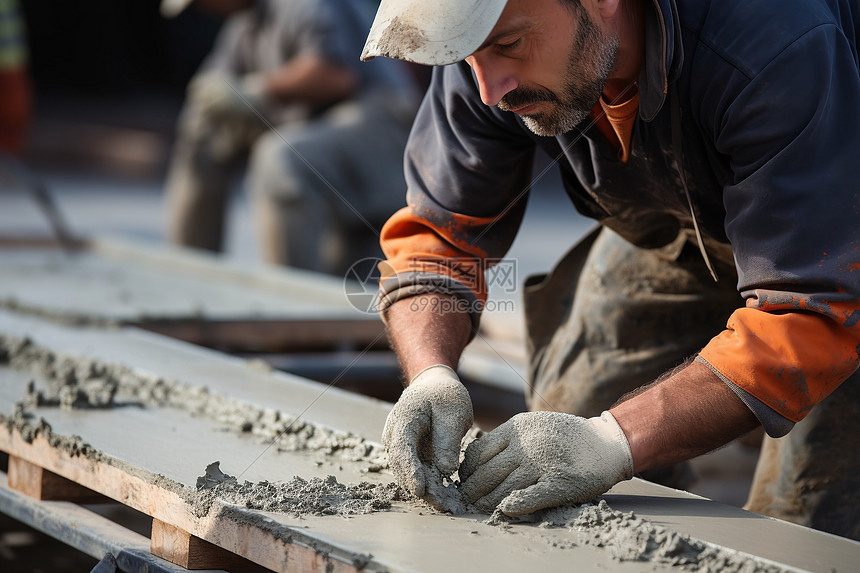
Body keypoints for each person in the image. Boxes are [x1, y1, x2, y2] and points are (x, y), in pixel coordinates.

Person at [361, 0, 860, 540]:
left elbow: (816, 309)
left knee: (802, 523)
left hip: (839, 246)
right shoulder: (489, 64)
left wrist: (614, 440)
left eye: (508, 45)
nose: (489, 90)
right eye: (469, 57)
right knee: (558, 443)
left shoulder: (773, 45)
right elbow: (436, 240)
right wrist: (431, 374)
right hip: (688, 226)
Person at [162, 0, 420, 274]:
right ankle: (191, 276)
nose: (204, 8)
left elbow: (335, 75)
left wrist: (256, 91)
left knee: (280, 159)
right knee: (204, 132)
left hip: (380, 127)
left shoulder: (302, 4)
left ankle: (290, 304)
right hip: (321, 130)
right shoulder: (243, 26)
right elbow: (217, 87)